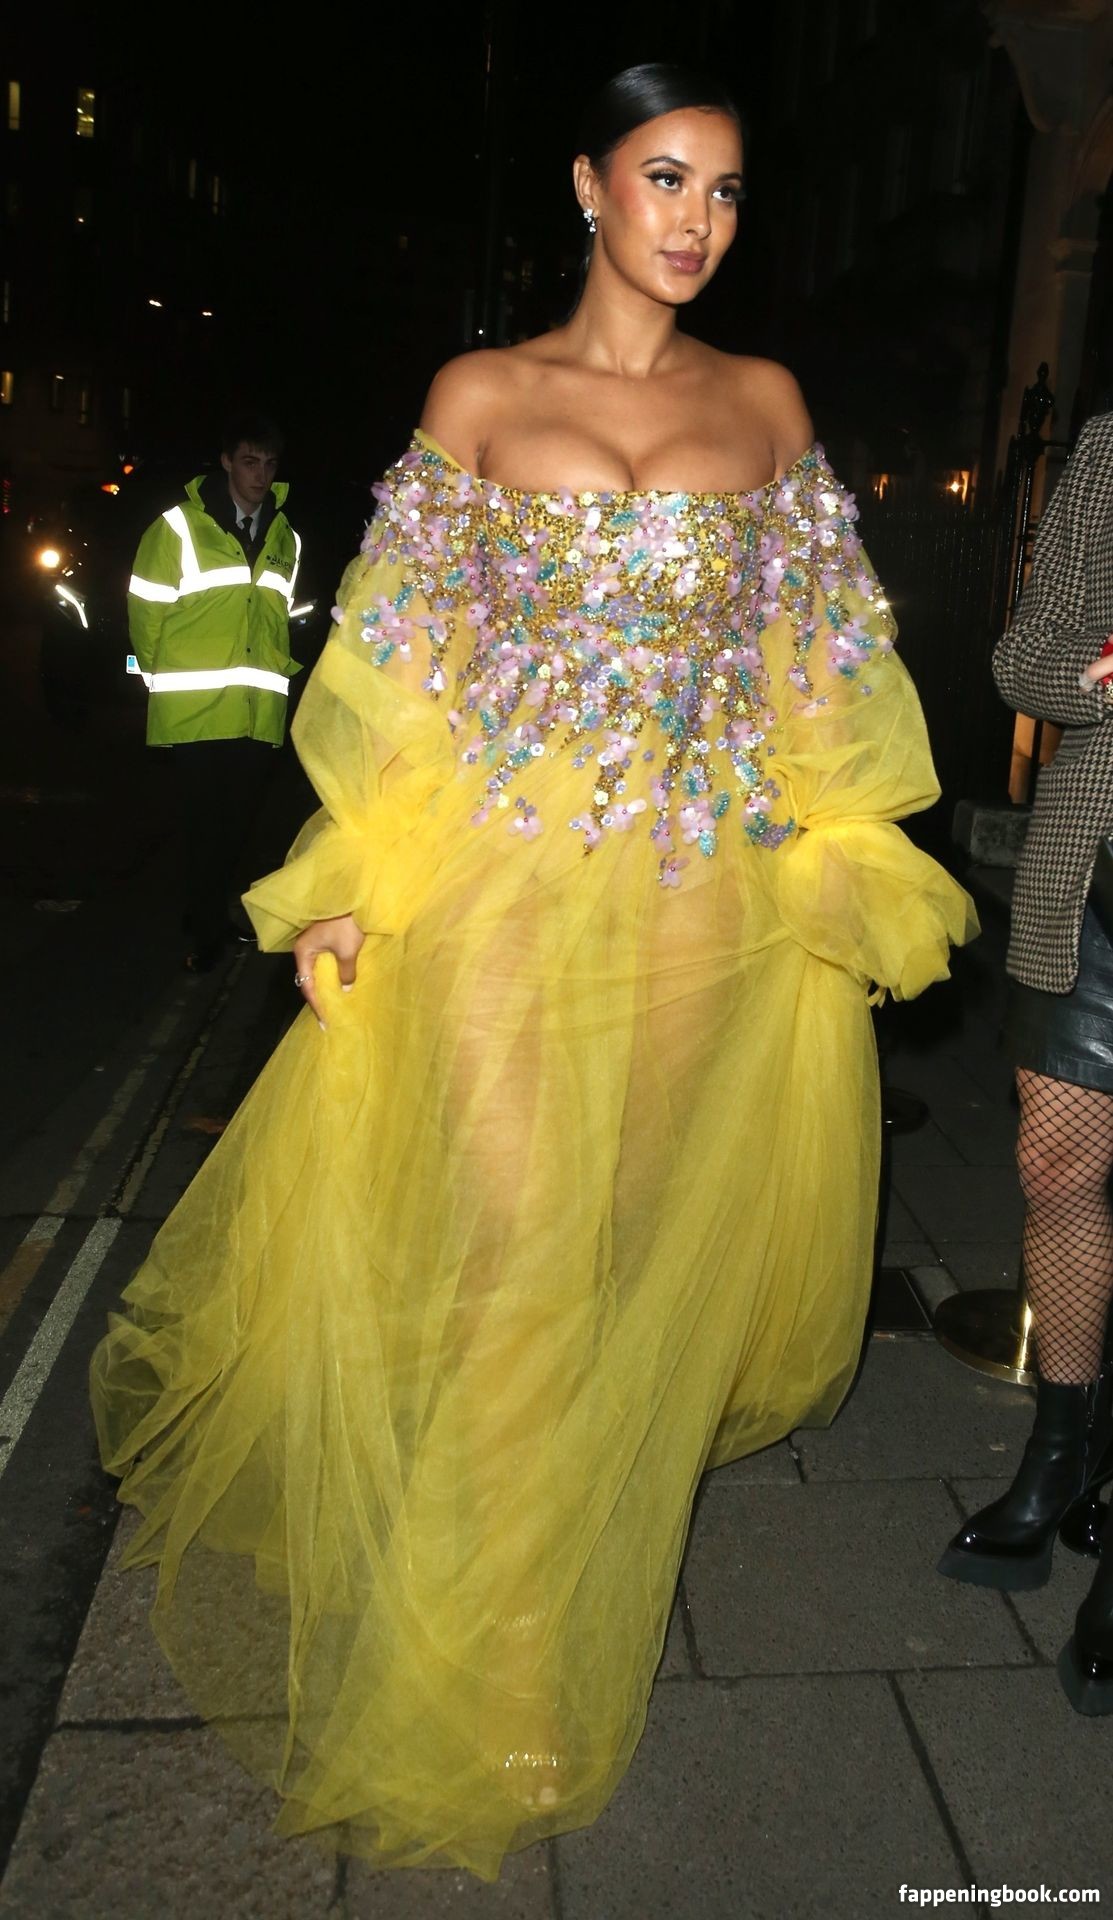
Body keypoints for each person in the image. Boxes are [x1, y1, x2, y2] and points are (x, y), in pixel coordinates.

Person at [91, 64, 975, 1876]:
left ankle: (565, 1555)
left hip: (700, 904)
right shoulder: (480, 398)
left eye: (725, 192)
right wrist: (348, 882)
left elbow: (822, 661)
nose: (695, 220)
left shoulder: (764, 405)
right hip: (501, 888)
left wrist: (851, 861)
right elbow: (395, 664)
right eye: (664, 178)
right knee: (519, 1255)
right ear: (588, 185)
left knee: (620, 1258)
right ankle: (503, 1645)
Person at [937, 411, 1113, 1716]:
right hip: (1095, 878)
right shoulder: (1107, 449)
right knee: (1056, 1165)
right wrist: (1105, 668)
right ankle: (1063, 1448)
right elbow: (1025, 654)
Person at [127, 411, 302, 970]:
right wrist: (158, 683)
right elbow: (146, 612)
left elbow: (280, 617)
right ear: (226, 462)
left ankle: (208, 913)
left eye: (269, 463)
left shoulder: (286, 537)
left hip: (255, 710)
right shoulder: (178, 527)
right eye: (250, 461)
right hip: (197, 708)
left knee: (236, 827)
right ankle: (205, 933)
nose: (260, 474)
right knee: (205, 825)